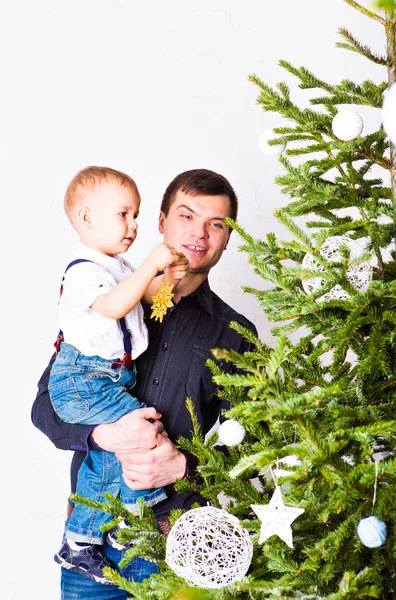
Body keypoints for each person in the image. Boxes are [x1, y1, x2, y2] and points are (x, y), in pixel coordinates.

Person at [32, 168, 257, 599]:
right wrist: (103, 435)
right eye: (187, 216)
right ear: (160, 223)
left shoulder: (236, 336)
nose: (200, 233)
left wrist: (187, 467)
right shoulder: (108, 304)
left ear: (228, 239)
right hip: (95, 552)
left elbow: (251, 447)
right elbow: (46, 406)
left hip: (181, 549)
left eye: (217, 224)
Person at [47, 166, 188, 584]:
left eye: (136, 215)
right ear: (87, 218)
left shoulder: (116, 266)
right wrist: (150, 264)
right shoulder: (84, 271)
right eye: (123, 214)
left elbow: (141, 297)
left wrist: (167, 280)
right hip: (84, 376)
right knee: (140, 433)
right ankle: (87, 537)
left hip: (108, 377)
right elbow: (113, 306)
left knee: (127, 440)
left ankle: (114, 525)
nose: (134, 225)